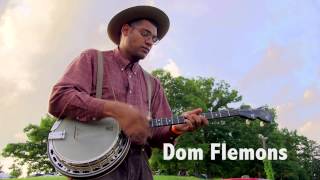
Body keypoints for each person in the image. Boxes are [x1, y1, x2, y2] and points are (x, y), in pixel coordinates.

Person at [48, 5, 208, 180]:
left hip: (140, 169)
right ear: (125, 30)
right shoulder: (92, 59)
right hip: (96, 170)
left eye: (154, 39)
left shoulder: (153, 84)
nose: (149, 42)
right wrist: (114, 110)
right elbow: (60, 98)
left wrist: (176, 129)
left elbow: (157, 135)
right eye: (145, 34)